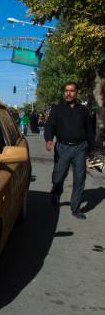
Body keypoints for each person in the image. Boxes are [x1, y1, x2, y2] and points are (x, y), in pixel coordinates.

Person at [45, 82, 94, 220]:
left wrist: (91, 148)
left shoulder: (83, 110)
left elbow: (89, 130)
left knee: (79, 177)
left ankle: (75, 207)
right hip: (62, 147)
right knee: (58, 177)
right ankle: (56, 192)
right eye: (66, 90)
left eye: (71, 91)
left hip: (80, 147)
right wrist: (48, 139)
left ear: (76, 93)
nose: (68, 93)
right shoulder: (57, 109)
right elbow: (50, 126)